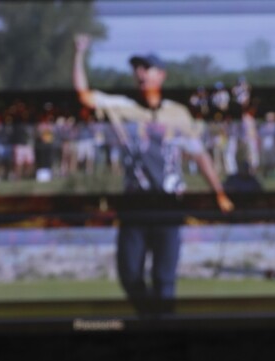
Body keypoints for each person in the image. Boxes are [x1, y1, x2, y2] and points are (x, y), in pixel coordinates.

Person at [73, 34, 233, 317]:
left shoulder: (177, 114)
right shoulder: (122, 107)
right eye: (137, 68)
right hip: (136, 204)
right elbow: (84, 95)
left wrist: (218, 193)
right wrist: (79, 54)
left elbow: (200, 155)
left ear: (161, 75)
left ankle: (164, 333)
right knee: (129, 273)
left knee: (164, 279)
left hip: (169, 204)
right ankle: (152, 320)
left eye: (147, 68)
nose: (140, 73)